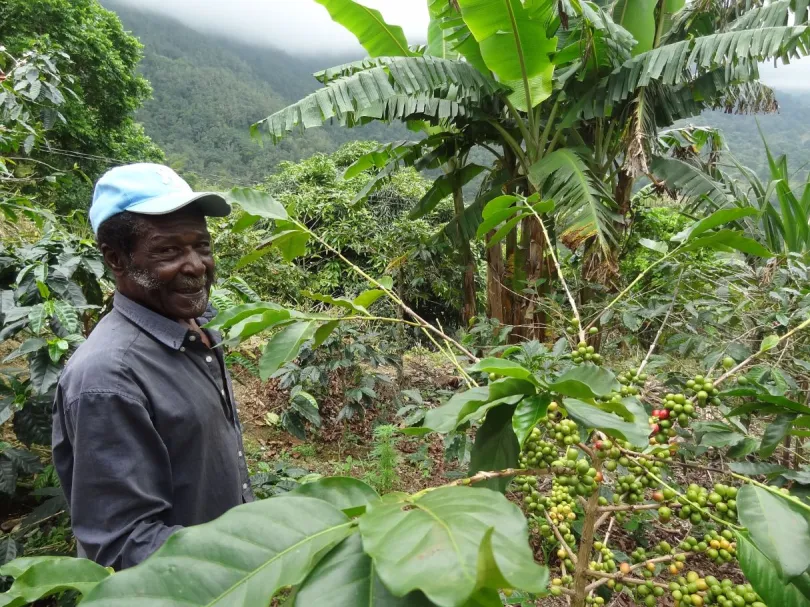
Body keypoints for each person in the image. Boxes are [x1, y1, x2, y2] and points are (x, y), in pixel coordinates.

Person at [52, 163, 254, 570]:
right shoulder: (109, 378)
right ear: (116, 259)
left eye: (201, 245)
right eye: (168, 250)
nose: (196, 265)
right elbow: (125, 541)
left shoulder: (191, 330)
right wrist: (256, 559)